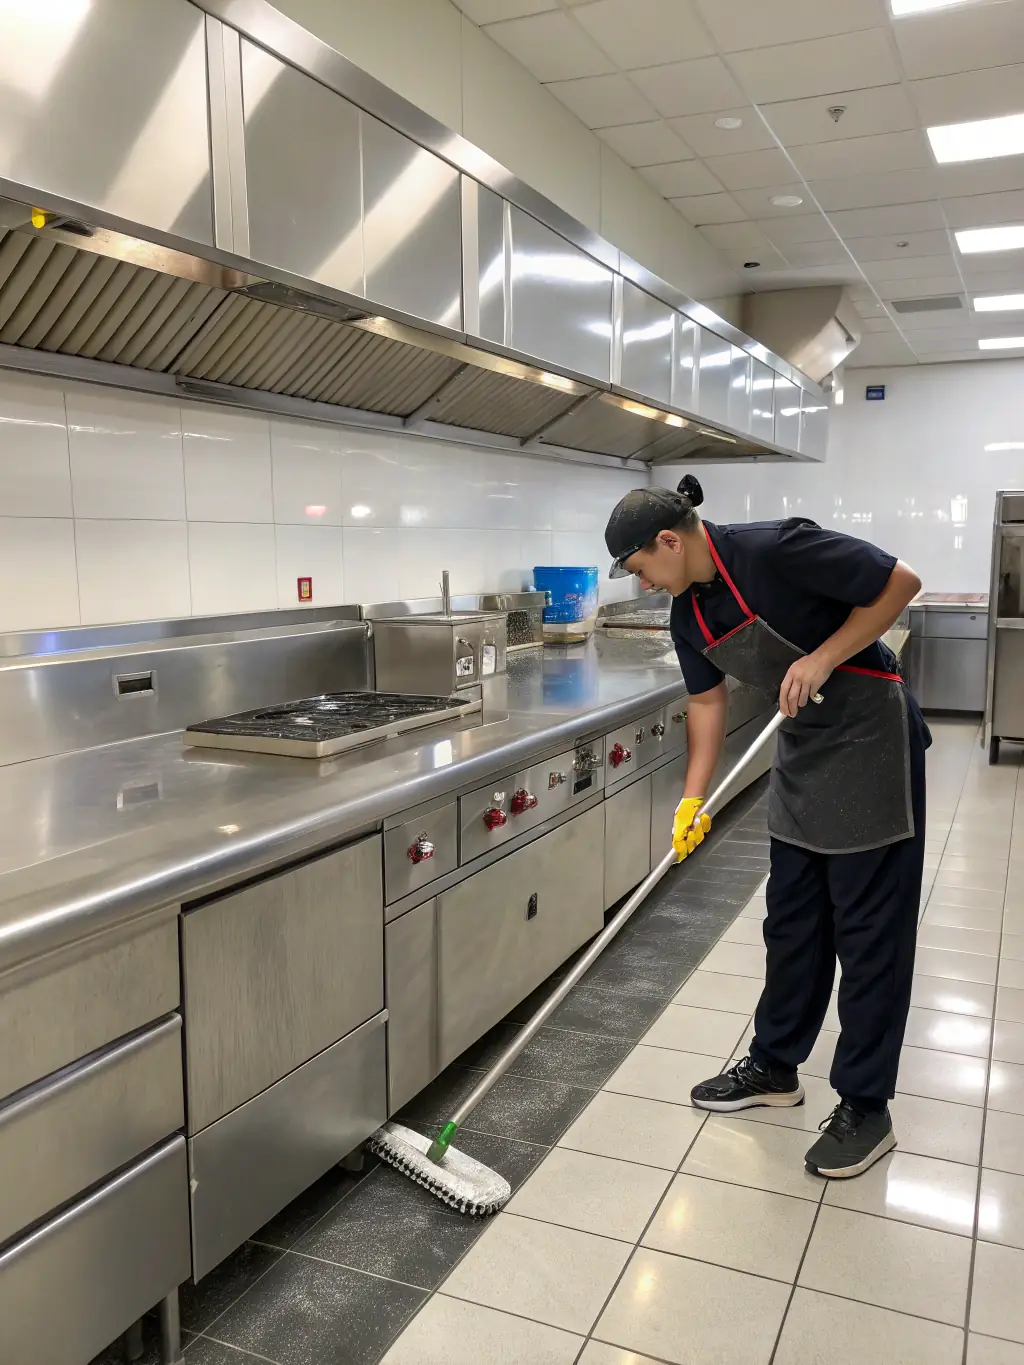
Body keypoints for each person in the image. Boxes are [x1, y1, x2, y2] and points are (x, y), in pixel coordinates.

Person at [604, 475, 928, 1179]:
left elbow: (901, 582)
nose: (644, 584)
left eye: (639, 569)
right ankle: (775, 1066)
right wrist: (693, 801)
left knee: (868, 934)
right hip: (804, 754)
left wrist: (823, 656)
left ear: (668, 541)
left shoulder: (776, 549)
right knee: (792, 924)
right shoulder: (688, 616)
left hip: (871, 741)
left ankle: (866, 1106)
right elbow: (706, 706)